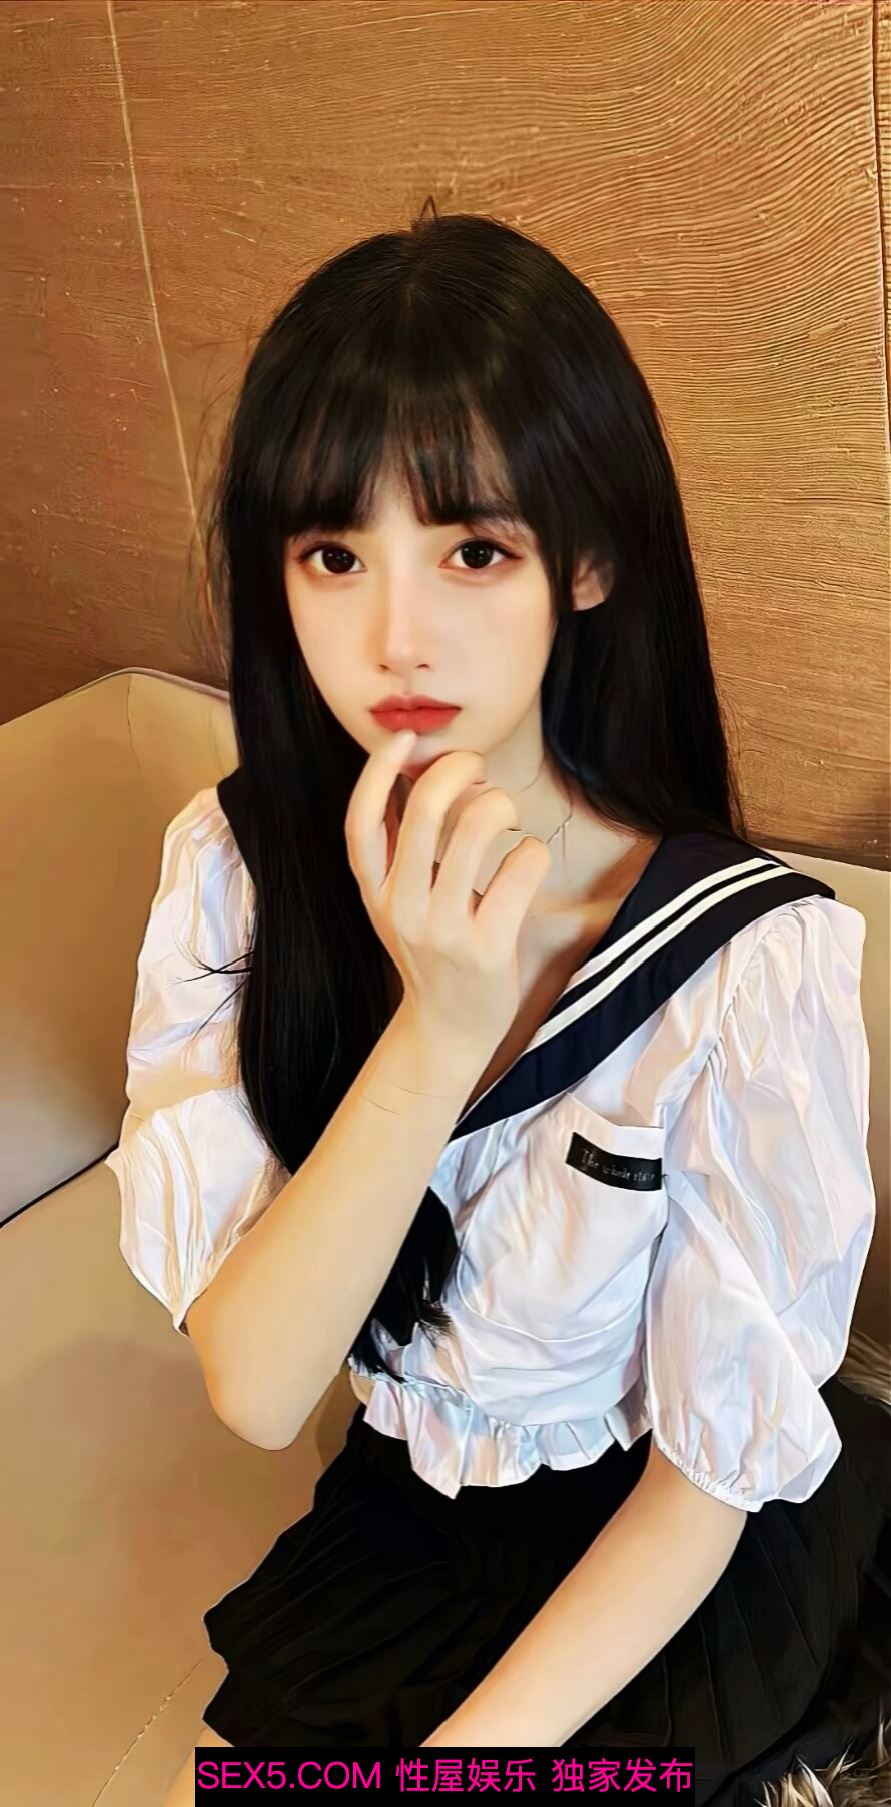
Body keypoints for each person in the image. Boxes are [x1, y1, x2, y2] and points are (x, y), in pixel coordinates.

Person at [105, 203, 890, 1807]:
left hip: (658, 1548)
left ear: (585, 560)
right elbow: (259, 1390)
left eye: (473, 549)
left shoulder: (747, 964)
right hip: (408, 1520)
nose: (396, 636)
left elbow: (701, 1484)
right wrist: (439, 1025)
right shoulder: (235, 872)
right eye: (334, 556)